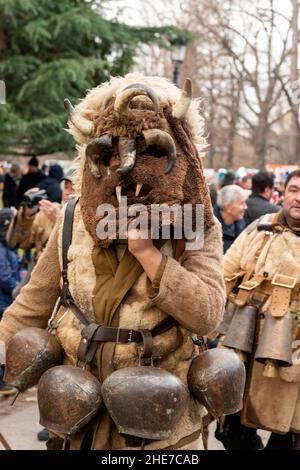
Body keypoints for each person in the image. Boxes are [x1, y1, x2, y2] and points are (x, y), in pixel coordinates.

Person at [0, 74, 226, 450]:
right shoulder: (74, 217)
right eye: (113, 151)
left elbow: (208, 315)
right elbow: (31, 305)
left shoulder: (196, 224)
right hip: (78, 415)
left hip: (159, 422)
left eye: (144, 150)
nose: (125, 164)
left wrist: (150, 254)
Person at [218, 169, 300, 450]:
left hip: (293, 350)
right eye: (293, 190)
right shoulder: (261, 226)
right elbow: (225, 270)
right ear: (283, 193)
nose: (298, 198)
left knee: (288, 430)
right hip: (246, 337)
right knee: (235, 422)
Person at [0, 209, 19, 396]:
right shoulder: (1, 250)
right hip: (3, 302)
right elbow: (4, 277)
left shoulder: (8, 248)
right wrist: (19, 291)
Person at [214, 185, 247, 253]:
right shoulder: (210, 229)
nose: (246, 207)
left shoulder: (240, 222)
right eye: (242, 203)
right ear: (228, 207)